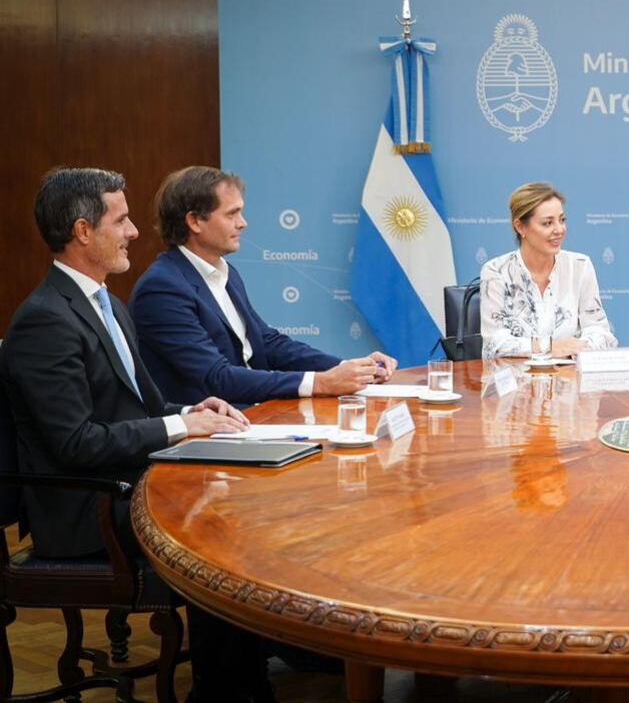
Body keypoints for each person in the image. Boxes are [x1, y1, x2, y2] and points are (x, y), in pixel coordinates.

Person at [0, 167, 271, 701]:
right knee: (221, 524)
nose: (134, 232)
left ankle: (257, 665)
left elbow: (142, 407)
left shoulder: (107, 303)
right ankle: (231, 689)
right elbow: (75, 443)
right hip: (88, 510)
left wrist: (192, 408)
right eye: (120, 220)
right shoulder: (45, 321)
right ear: (83, 232)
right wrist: (179, 425)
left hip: (127, 484)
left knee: (249, 500)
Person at [129, 166, 396, 407]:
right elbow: (216, 377)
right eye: (232, 214)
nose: (243, 223)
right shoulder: (162, 289)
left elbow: (266, 343)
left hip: (253, 416)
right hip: (209, 433)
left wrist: (348, 367)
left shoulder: (226, 272)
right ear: (195, 221)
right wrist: (320, 382)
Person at [479, 182, 617, 358]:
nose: (559, 230)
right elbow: (494, 343)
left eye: (562, 220)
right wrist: (550, 347)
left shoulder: (580, 266)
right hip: (516, 380)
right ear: (520, 227)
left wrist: (576, 348)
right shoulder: (496, 271)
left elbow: (600, 332)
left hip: (570, 378)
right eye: (547, 223)